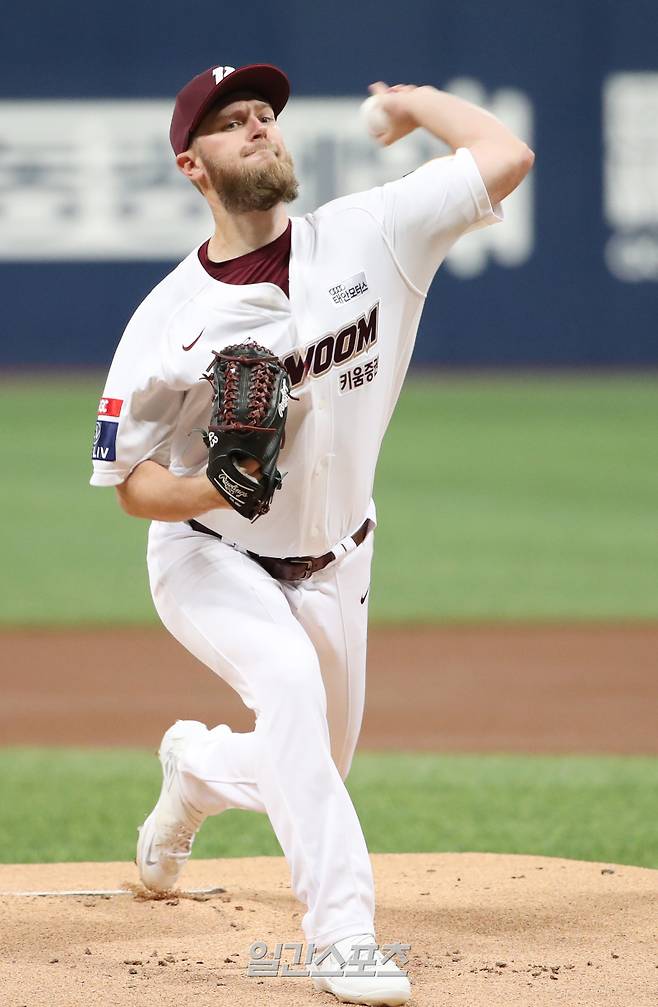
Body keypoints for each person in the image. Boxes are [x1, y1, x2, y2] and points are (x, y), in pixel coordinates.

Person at [90, 62, 533, 1006]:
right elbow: (130, 485)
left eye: (265, 115)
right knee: (287, 688)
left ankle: (197, 766)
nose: (258, 127)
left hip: (343, 560)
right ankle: (342, 937)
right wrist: (212, 484)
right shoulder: (165, 322)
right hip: (211, 557)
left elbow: (504, 154)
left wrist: (413, 106)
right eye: (231, 122)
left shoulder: (376, 234)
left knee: (312, 768)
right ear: (192, 165)